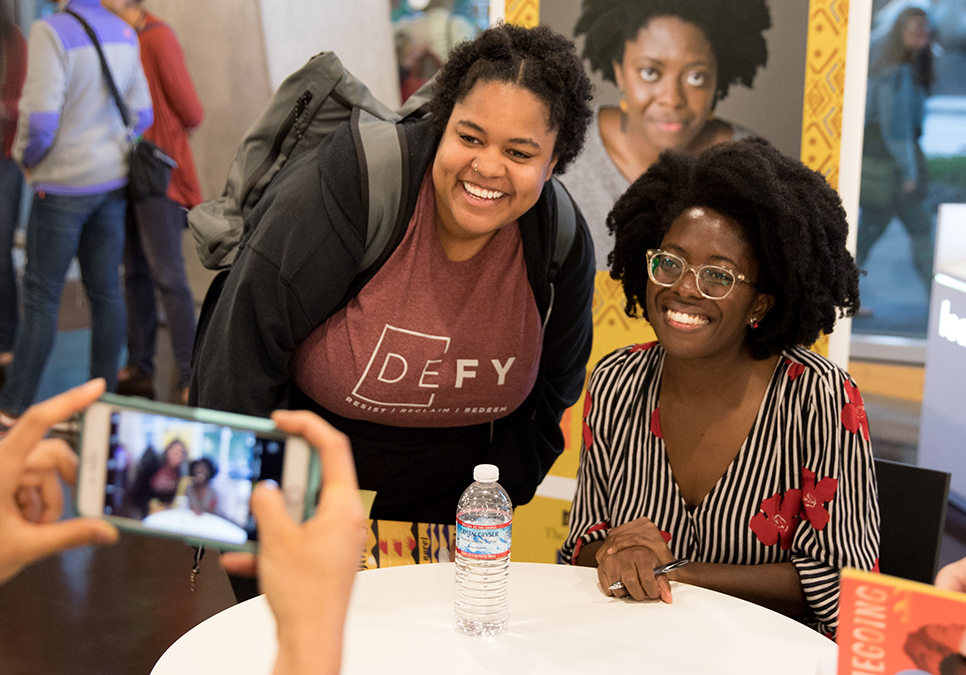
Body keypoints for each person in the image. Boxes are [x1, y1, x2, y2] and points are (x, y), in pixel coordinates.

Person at [191, 23, 595, 526]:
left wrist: (502, 491)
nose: (488, 168)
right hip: (308, 496)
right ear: (442, 125)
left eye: (519, 153)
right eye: (470, 137)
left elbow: (557, 385)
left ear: (554, 160)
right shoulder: (352, 189)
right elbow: (239, 354)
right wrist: (258, 516)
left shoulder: (560, 238)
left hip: (457, 514)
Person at [559, 138, 880, 637]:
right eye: (670, 262)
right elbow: (583, 544)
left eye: (718, 276)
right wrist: (620, 552)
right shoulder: (616, 382)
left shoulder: (819, 397)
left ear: (761, 304)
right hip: (635, 648)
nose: (685, 289)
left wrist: (676, 572)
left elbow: (843, 582)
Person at [0, 378, 365, 675]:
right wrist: (312, 636)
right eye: (173, 452)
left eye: (180, 454)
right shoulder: (155, 467)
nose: (178, 457)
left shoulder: (192, 480)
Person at [0, 0, 152, 431]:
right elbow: (143, 113)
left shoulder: (53, 31)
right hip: (112, 182)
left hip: (63, 185)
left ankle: (12, 408)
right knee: (105, 290)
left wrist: (27, 159)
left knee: (42, 295)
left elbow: (41, 117)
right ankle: (100, 403)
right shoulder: (124, 31)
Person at [564, 0, 770, 270]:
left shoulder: (756, 173)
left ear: (718, 77)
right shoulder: (563, 146)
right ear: (620, 71)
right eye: (650, 72)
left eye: (696, 77)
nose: (672, 99)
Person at [107, 0, 204, 404]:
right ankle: (141, 366)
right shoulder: (121, 38)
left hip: (157, 174)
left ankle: (191, 376)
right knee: (136, 273)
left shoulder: (158, 37)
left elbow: (191, 110)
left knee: (168, 276)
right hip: (124, 174)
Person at [857, 6, 934, 294]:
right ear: (899, 32)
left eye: (925, 27)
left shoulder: (907, 66)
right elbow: (898, 132)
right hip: (893, 172)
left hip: (887, 170)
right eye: (913, 27)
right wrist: (909, 173)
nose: (921, 33)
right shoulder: (897, 72)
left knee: (867, 237)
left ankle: (838, 302)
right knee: (922, 235)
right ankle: (945, 304)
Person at [0, 7, 26, 386]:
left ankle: (6, 342)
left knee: (1, 252)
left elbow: (25, 103)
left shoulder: (13, 40)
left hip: (5, 160)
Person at [128, 438, 186, 516]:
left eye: (180, 452)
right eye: (174, 449)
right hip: (142, 507)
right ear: (167, 450)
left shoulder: (180, 473)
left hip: (164, 512)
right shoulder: (154, 464)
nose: (176, 453)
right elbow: (140, 487)